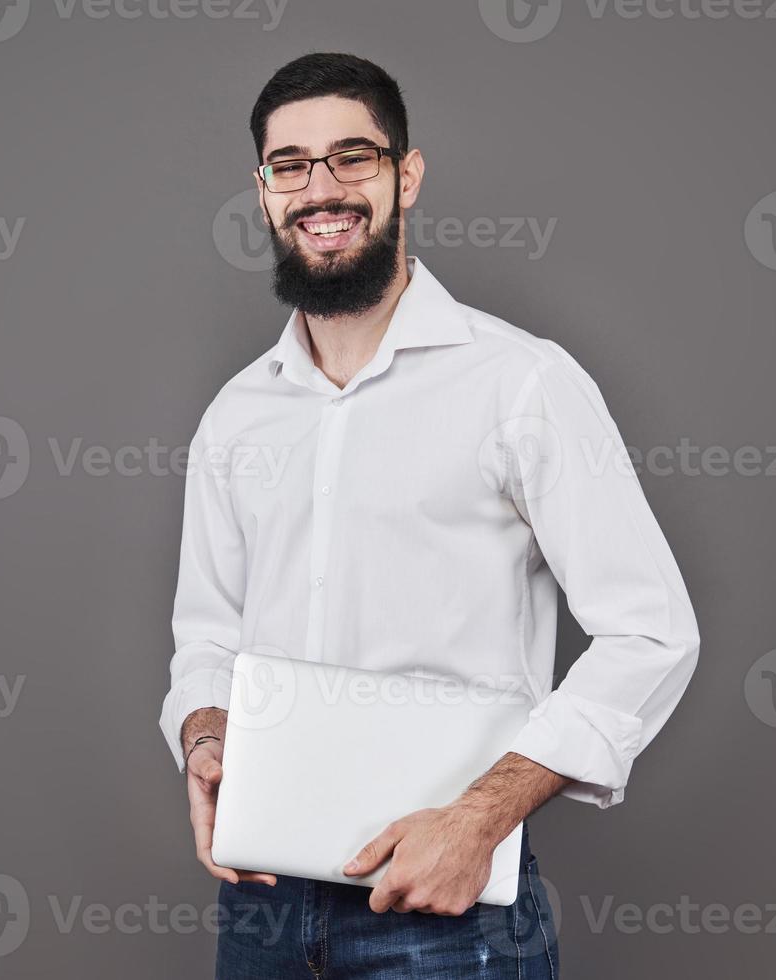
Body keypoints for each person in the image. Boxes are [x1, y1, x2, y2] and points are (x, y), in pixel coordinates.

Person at [158, 52, 700, 979]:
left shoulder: (519, 384)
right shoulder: (236, 414)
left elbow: (650, 634)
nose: (319, 189)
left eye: (352, 157)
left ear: (405, 174)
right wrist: (204, 743)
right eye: (289, 165)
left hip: (442, 911)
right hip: (258, 910)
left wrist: (479, 820)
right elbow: (207, 639)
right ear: (262, 191)